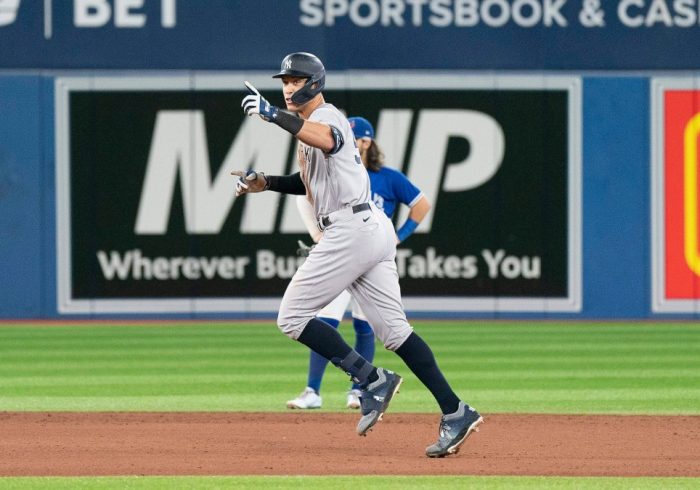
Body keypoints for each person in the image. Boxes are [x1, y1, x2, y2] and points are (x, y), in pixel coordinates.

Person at [232, 52, 483, 458]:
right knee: (396, 333)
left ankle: (370, 379)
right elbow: (309, 180)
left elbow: (326, 140)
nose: (289, 87)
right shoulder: (312, 128)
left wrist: (272, 113)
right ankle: (456, 411)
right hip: (370, 229)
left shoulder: (329, 118)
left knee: (291, 316)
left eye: (296, 80)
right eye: (285, 81)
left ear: (314, 82)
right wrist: (267, 182)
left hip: (351, 230)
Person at [286, 116, 432, 411]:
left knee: (366, 326)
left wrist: (397, 237)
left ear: (366, 142)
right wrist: (317, 234)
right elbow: (302, 193)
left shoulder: (387, 177)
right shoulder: (332, 172)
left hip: (371, 255)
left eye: (357, 138)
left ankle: (358, 389)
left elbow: (421, 204)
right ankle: (312, 390)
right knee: (324, 319)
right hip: (340, 251)